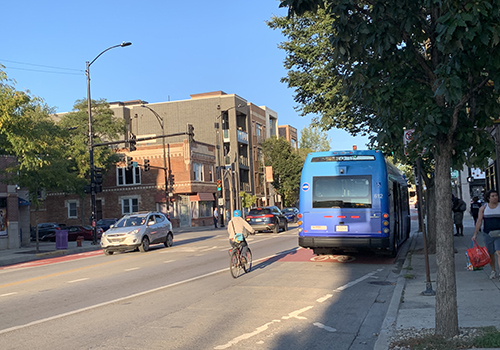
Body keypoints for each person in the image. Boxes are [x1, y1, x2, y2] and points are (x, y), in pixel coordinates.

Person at [472, 189, 500, 279]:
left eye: (496, 195)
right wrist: (475, 234)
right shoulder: (484, 208)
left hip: (499, 234)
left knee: (499, 252)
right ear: (488, 198)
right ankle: (493, 270)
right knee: (491, 253)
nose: (495, 197)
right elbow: (479, 221)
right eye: (493, 196)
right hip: (488, 234)